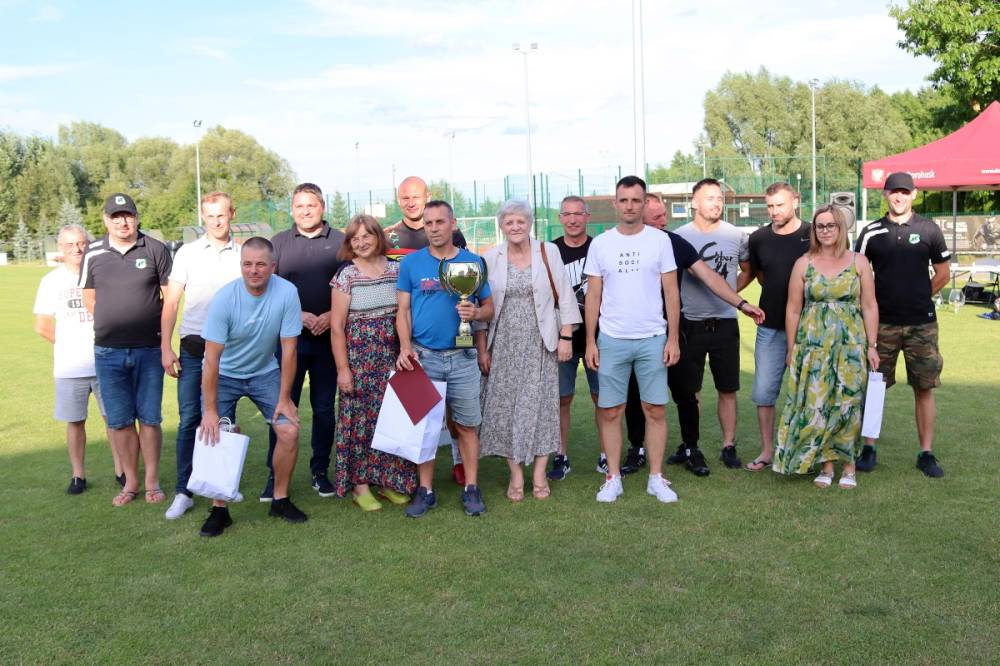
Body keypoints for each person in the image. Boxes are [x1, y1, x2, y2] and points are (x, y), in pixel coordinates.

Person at [625, 194, 764, 477]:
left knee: (686, 394)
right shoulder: (621, 245)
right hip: (635, 335)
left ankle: (691, 449)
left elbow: (709, 277)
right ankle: (636, 449)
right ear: (640, 216)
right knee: (635, 395)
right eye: (657, 217)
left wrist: (741, 304)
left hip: (674, 332)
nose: (663, 221)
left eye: (664, 216)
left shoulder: (674, 242)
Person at [197, 237, 304, 537]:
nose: (253, 270)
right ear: (241, 265)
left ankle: (280, 500)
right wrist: (210, 410)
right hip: (225, 374)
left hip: (264, 372)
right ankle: (219, 510)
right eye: (247, 264)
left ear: (273, 266)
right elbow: (211, 360)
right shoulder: (225, 299)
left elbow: (290, 349)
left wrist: (285, 398)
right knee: (217, 433)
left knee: (289, 430)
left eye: (260, 264)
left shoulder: (287, 292)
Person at [584, 176, 680, 504]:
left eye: (636, 200)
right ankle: (613, 478)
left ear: (644, 203)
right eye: (623, 200)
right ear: (615, 203)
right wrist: (591, 341)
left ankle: (656, 478)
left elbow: (671, 292)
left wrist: (672, 339)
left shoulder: (660, 241)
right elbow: (593, 296)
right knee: (611, 411)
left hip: (653, 338)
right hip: (612, 339)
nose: (629, 206)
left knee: (655, 409)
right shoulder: (601, 244)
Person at [396, 200, 494, 518]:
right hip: (424, 357)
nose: (434, 228)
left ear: (453, 224)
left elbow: (489, 308)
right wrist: (405, 347)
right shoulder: (411, 264)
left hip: (463, 357)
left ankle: (472, 487)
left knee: (467, 425)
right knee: (425, 428)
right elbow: (403, 311)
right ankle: (425, 490)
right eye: (429, 223)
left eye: (440, 222)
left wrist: (475, 312)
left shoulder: (473, 262)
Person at [476, 200, 580, 501]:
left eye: (520, 221)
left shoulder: (548, 251)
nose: (515, 227)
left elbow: (565, 297)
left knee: (543, 407)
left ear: (530, 223)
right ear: (501, 226)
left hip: (541, 343)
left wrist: (566, 336)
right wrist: (483, 349)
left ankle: (539, 473)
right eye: (509, 222)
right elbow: (483, 305)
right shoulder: (490, 257)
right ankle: (516, 475)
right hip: (503, 344)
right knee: (505, 409)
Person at [773, 205, 880, 489]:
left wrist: (872, 345)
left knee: (848, 402)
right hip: (813, 346)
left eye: (831, 225)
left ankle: (849, 466)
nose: (825, 230)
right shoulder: (803, 264)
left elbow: (869, 305)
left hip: (851, 345)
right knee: (818, 403)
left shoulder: (859, 262)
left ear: (841, 228)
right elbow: (793, 309)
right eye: (820, 226)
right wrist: (792, 348)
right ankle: (826, 465)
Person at [854, 172, 949, 477]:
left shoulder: (929, 229)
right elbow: (857, 273)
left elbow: (943, 274)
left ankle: (926, 453)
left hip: (922, 324)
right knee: (875, 386)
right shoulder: (870, 232)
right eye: (894, 191)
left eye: (905, 192)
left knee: (924, 387)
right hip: (882, 324)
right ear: (885, 194)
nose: (899, 196)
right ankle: (869, 448)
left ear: (914, 194)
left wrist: (919, 296)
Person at [81, 193, 172, 506]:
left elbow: (169, 300)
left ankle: (152, 481)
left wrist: (165, 345)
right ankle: (131, 482)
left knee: (150, 418)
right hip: (108, 352)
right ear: (106, 220)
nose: (123, 222)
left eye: (128, 215)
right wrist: (114, 322)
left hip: (149, 350)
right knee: (119, 421)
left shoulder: (156, 249)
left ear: (137, 217)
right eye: (116, 216)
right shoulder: (93, 252)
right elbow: (89, 296)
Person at [160, 192, 242, 520]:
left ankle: (218, 491)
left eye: (221, 215)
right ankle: (184, 491)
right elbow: (171, 302)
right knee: (189, 419)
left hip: (231, 351)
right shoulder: (188, 253)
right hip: (194, 350)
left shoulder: (242, 254)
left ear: (232, 214)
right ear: (203, 217)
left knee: (222, 421)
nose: (216, 221)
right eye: (210, 216)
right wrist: (165, 347)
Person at [384, 175, 468, 485]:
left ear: (427, 196)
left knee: (453, 409)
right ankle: (410, 473)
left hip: (444, 338)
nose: (410, 202)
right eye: (404, 197)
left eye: (415, 196)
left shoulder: (450, 234)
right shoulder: (388, 237)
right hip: (400, 332)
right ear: (398, 200)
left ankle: (459, 460)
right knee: (415, 409)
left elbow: (466, 284)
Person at [330, 215, 417, 511]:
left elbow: (403, 312)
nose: (361, 242)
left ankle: (388, 481)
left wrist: (405, 349)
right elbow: (336, 328)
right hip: (358, 361)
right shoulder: (346, 275)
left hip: (391, 359)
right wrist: (343, 369)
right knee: (360, 423)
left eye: (366, 235)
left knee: (392, 419)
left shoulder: (397, 270)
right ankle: (361, 486)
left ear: (378, 236)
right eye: (355, 238)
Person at [264, 182, 345, 500]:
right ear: (292, 209)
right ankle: (275, 475)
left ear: (322, 207)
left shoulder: (341, 241)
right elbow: (267, 289)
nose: (305, 211)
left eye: (311, 205)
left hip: (329, 341)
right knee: (283, 407)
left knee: (324, 409)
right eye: (299, 205)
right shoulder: (278, 243)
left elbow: (352, 285)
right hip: (290, 343)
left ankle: (319, 471)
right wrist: (297, 315)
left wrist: (331, 315)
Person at [669, 178, 751, 471]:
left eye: (719, 198)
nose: (717, 203)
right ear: (694, 202)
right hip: (690, 323)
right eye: (710, 198)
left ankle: (728, 445)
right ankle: (691, 445)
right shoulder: (678, 237)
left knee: (727, 388)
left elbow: (748, 270)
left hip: (725, 322)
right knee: (689, 390)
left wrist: (730, 294)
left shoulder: (736, 235)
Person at [33, 223, 119, 494]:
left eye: (81, 243)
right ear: (61, 248)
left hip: (105, 361)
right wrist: (69, 344)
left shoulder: (102, 273)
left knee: (114, 420)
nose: (76, 249)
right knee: (75, 421)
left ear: (88, 244)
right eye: (70, 244)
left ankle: (122, 471)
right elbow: (42, 326)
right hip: (70, 367)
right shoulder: (51, 281)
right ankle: (78, 475)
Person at [736, 182, 812, 471]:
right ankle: (767, 451)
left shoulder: (813, 234)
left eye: (780, 205)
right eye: (769, 206)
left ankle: (807, 450)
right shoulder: (758, 238)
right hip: (770, 327)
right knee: (764, 392)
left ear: (795, 201)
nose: (774, 211)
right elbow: (759, 275)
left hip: (809, 327)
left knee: (809, 392)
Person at [548, 195, 600, 481]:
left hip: (598, 337)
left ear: (587, 216)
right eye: (567, 214)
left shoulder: (599, 247)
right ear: (560, 218)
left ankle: (607, 454)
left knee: (602, 397)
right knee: (561, 399)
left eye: (578, 213)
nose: (572, 219)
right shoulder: (551, 250)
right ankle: (561, 455)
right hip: (561, 339)